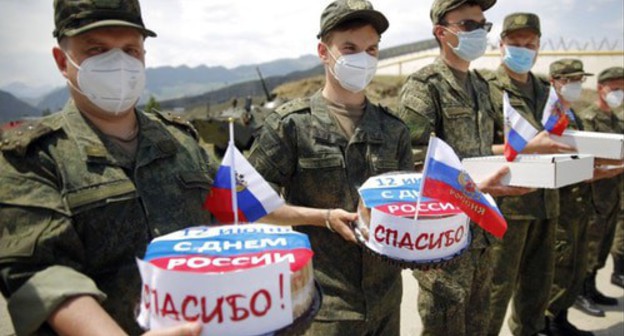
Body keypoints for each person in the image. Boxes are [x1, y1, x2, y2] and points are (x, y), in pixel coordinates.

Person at [0, 0, 216, 335]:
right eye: (97, 50)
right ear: (62, 61)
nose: (118, 64)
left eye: (130, 50)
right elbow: (42, 273)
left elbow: (231, 218)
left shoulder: (182, 141)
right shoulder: (32, 158)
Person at [248, 1, 413, 334]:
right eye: (349, 48)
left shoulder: (394, 129)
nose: (362, 59)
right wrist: (320, 217)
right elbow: (248, 202)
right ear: (324, 52)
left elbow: (407, 204)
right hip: (325, 306)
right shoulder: (291, 125)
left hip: (386, 300)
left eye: (371, 50)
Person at [398, 1, 538, 335]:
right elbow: (409, 168)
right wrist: (474, 186)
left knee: (479, 324)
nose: (479, 33)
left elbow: (483, 148)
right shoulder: (424, 87)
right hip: (444, 241)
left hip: (482, 234)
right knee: (444, 326)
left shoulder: (481, 87)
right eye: (468, 25)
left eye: (483, 25)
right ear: (441, 32)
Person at [480, 13, 575, 336]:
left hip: (547, 203)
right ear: (501, 44)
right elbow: (477, 147)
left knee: (538, 288)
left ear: (538, 47)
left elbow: (563, 137)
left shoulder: (547, 92)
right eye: (515, 43)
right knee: (495, 291)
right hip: (507, 208)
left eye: (529, 44)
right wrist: (528, 147)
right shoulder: (487, 89)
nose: (522, 49)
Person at [543, 58, 599, 336]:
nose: (576, 85)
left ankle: (561, 318)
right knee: (559, 264)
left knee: (574, 263)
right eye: (571, 80)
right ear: (556, 81)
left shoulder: (570, 113)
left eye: (580, 80)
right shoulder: (549, 113)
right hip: (560, 201)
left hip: (578, 198)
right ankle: (550, 321)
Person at [575, 66, 624, 315]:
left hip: (612, 195)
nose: (619, 93)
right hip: (593, 197)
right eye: (614, 88)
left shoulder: (616, 121)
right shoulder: (588, 118)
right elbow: (586, 161)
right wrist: (617, 165)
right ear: (601, 88)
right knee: (590, 247)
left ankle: (592, 288)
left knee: (603, 245)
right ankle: (580, 293)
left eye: (622, 88)